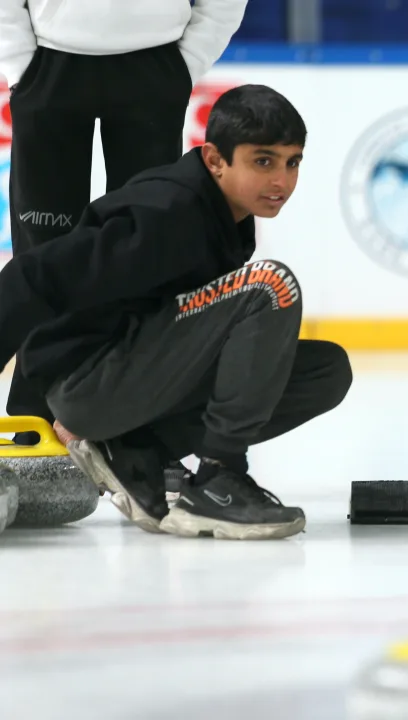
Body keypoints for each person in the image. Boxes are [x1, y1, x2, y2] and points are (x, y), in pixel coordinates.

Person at [0, 85, 352, 540]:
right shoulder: (167, 212)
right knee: (269, 285)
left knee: (325, 371)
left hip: (128, 379)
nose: (281, 181)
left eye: (292, 162)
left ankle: (138, 447)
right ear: (214, 160)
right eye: (263, 161)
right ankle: (218, 480)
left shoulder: (228, 215)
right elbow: (32, 275)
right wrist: (35, 410)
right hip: (86, 386)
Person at [0, 0, 249, 444]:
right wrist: (21, 66)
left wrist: (183, 66)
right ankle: (33, 418)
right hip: (49, 67)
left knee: (148, 251)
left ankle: (135, 420)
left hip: (154, 68)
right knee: (43, 249)